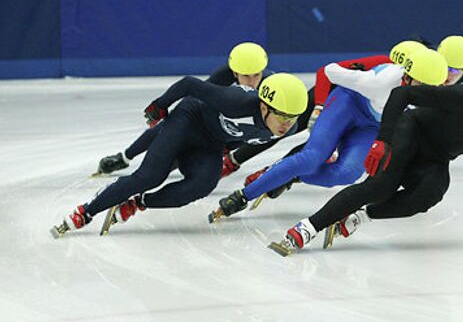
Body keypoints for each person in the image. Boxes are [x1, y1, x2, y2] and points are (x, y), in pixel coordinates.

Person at [267, 66, 463, 256]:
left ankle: (360, 217)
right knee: (380, 186)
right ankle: (306, 229)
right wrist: (383, 140)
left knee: (429, 195)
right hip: (411, 130)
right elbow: (402, 94)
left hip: (435, 156)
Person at [51, 73, 308, 238]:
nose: (287, 124)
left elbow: (250, 139)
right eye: (282, 116)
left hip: (211, 143)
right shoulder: (235, 101)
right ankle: (86, 211)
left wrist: (230, 156)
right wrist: (159, 107)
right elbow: (189, 84)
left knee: (203, 184)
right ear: (264, 106)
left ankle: (138, 203)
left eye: (292, 118)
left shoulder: (287, 129)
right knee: (150, 175)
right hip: (188, 120)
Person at [212, 46, 449, 220]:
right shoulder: (379, 81)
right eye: (421, 86)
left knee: (347, 174)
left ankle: (292, 175)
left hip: (370, 125)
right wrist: (319, 106)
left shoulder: (431, 96)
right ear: (407, 77)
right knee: (312, 157)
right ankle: (243, 195)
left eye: (433, 88)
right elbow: (328, 71)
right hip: (347, 103)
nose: (426, 93)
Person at [93, 42, 275, 175]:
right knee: (165, 127)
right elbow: (194, 98)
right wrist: (164, 110)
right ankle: (124, 157)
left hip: (230, 133)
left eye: (256, 75)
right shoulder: (223, 76)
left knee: (173, 161)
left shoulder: (271, 85)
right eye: (245, 75)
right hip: (209, 117)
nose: (251, 81)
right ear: (234, 72)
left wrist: (228, 150)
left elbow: (261, 129)